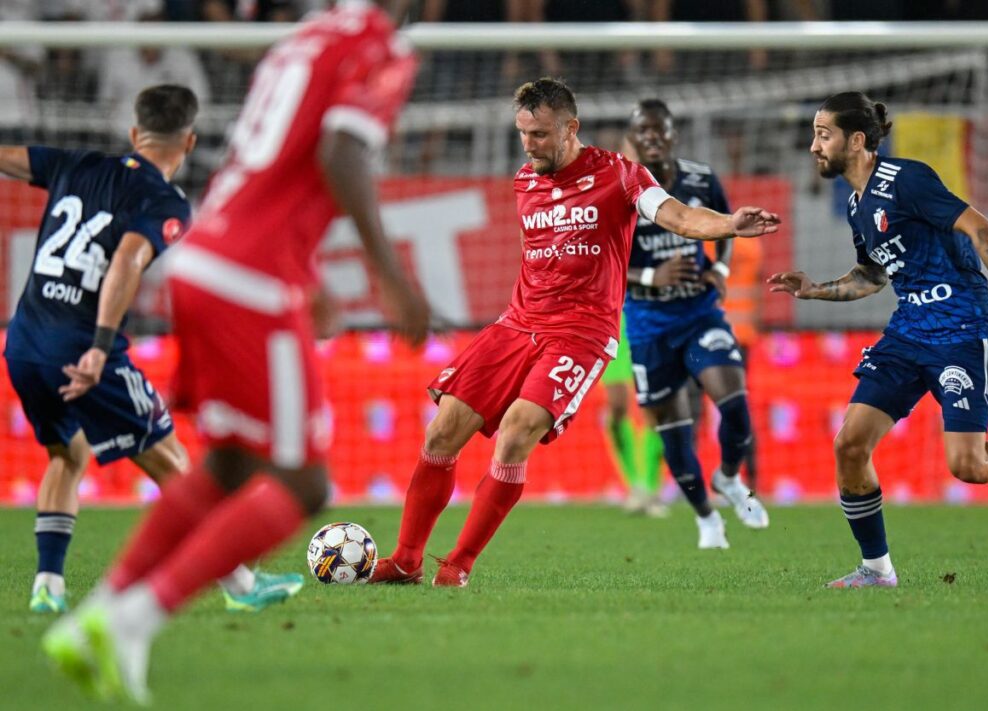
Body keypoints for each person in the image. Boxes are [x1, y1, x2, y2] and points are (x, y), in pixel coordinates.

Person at [42, 3, 430, 703]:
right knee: (303, 481)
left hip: (207, 258)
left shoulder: (304, 38)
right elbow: (340, 153)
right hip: (253, 277)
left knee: (228, 464)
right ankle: (131, 620)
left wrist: (307, 276)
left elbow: (271, 164)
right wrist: (392, 278)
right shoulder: (380, 47)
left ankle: (99, 611)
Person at [370, 77, 779, 588]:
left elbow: (677, 216)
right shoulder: (525, 181)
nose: (529, 145)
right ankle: (405, 561)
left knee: (516, 432)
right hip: (518, 323)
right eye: (523, 133)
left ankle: (458, 566)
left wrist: (728, 224)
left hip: (581, 333)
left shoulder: (622, 175)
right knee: (441, 432)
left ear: (571, 128)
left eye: (540, 134)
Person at [0, 85, 296, 616]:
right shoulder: (165, 202)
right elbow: (128, 259)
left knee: (68, 454)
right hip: (83, 347)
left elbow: (11, 158)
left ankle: (48, 585)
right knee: (173, 461)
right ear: (189, 141)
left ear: (135, 133)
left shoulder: (77, 164)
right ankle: (240, 584)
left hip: (22, 343)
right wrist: (98, 347)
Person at [768, 91, 988, 588]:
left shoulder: (907, 179)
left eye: (823, 135)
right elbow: (871, 276)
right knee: (849, 445)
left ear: (855, 141)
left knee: (969, 468)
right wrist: (816, 289)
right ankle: (877, 570)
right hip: (907, 333)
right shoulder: (856, 205)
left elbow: (980, 227)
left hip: (960, 330)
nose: (814, 146)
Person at [622, 99, 769, 549]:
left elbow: (728, 227)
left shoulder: (701, 179)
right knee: (674, 430)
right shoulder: (619, 191)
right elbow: (601, 261)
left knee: (735, 405)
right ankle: (706, 518)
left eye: (659, 129)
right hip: (648, 325)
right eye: (642, 130)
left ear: (673, 135)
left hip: (699, 315)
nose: (652, 137)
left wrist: (720, 269)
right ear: (632, 139)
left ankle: (728, 477)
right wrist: (653, 276)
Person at [601, 316, 666, 517]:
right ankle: (635, 485)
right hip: (615, 323)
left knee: (654, 411)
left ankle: (650, 488)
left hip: (647, 322)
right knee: (617, 407)